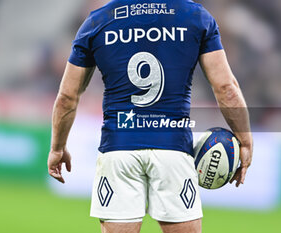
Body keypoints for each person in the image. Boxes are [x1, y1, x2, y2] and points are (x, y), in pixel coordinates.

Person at [47, 1, 253, 233]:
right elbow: (226, 88)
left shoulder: (97, 21)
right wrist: (244, 140)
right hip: (173, 149)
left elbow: (67, 97)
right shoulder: (195, 16)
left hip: (119, 149)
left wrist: (58, 147)